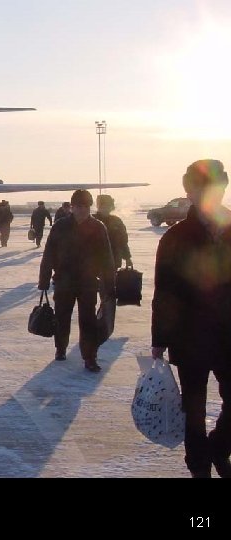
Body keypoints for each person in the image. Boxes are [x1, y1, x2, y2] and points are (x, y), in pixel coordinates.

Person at [151, 159, 231, 478]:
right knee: (193, 411)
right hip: (190, 336)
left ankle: (219, 447)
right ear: (189, 191)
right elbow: (165, 290)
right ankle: (199, 466)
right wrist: (159, 339)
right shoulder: (175, 238)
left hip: (229, 334)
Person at [38, 189, 115, 372]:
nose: (81, 210)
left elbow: (106, 258)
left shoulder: (98, 227)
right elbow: (49, 254)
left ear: (89, 207)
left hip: (88, 282)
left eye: (85, 207)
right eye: (78, 206)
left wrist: (109, 284)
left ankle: (89, 357)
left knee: (88, 321)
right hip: (64, 281)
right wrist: (44, 280)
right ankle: (61, 348)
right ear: (71, 207)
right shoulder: (60, 226)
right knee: (62, 316)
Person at [92, 194, 131, 269]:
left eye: (107, 206)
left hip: (113, 261)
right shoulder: (92, 221)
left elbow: (123, 241)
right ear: (98, 207)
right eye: (102, 206)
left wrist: (127, 258)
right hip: (94, 263)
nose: (105, 209)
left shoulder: (116, 221)